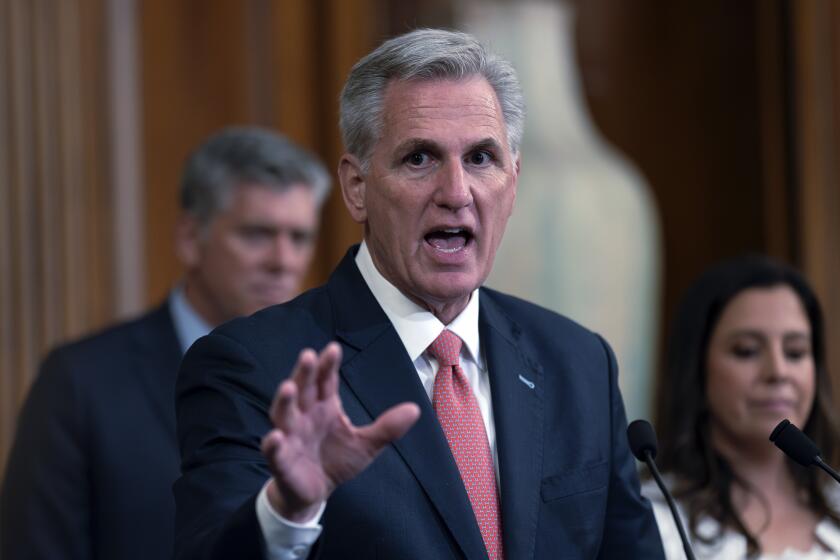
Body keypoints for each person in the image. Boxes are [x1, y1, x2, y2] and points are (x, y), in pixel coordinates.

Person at [174, 29, 664, 560]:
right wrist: (287, 511)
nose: (456, 193)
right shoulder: (255, 369)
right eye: (420, 159)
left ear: (513, 182)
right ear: (357, 187)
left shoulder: (577, 362)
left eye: (481, 158)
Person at [0, 126, 331, 560]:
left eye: (299, 238)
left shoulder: (337, 374)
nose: (283, 261)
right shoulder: (81, 382)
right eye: (257, 234)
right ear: (191, 239)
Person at [645, 255, 840, 558]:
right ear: (696, 368)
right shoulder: (652, 518)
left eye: (795, 351)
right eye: (746, 350)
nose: (778, 371)